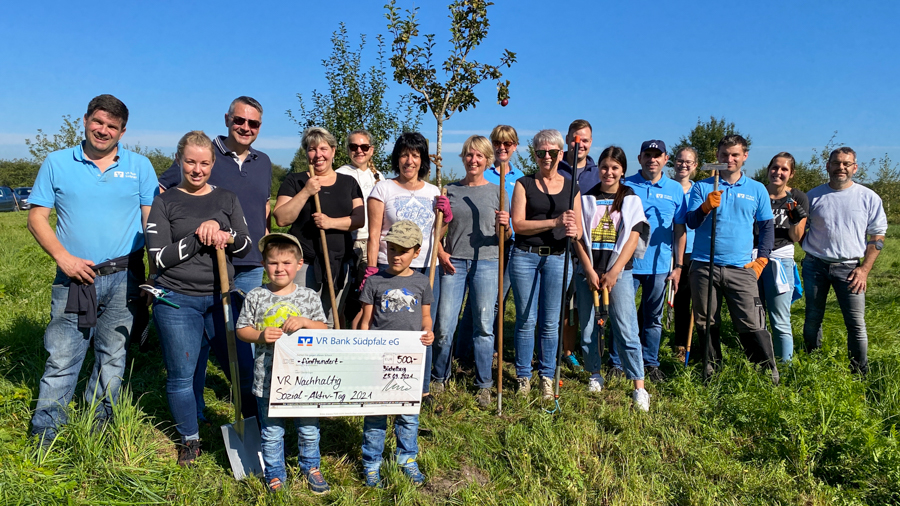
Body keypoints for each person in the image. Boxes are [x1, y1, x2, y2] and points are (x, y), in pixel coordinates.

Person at [28, 94, 158, 445]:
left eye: (112, 126)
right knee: (63, 357)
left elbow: (152, 223)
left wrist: (159, 269)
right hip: (74, 276)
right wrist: (63, 258)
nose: (103, 130)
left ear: (123, 131)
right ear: (85, 120)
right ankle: (45, 435)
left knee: (113, 357)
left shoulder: (140, 166)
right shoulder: (57, 162)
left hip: (125, 276)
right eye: (98, 122)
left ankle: (97, 427)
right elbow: (36, 217)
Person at [157, 96, 271, 421]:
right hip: (208, 268)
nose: (246, 127)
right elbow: (164, 189)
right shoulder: (206, 155)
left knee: (241, 348)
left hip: (249, 266)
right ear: (227, 119)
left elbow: (262, 206)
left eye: (254, 124)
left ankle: (250, 420)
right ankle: (196, 414)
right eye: (240, 120)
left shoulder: (262, 161)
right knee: (200, 348)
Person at [146, 131, 253, 465]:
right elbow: (158, 258)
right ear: (180, 161)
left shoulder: (227, 198)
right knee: (182, 374)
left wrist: (227, 234)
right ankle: (190, 439)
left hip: (223, 297)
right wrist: (199, 236)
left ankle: (254, 429)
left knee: (244, 370)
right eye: (190, 161)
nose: (197, 169)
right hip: (177, 300)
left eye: (204, 162)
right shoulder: (165, 201)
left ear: (212, 163)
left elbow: (248, 245)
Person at [235, 233, 329, 494]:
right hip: (267, 377)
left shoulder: (309, 297)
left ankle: (311, 466)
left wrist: (305, 322)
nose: (280, 268)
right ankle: (275, 472)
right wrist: (260, 335)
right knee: (272, 430)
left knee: (309, 428)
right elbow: (241, 330)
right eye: (273, 263)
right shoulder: (255, 296)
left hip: (305, 378)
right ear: (264, 264)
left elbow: (324, 328)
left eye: (286, 263)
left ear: (299, 264)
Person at [364, 132, 450, 405]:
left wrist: (446, 217)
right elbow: (375, 234)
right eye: (404, 154)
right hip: (388, 268)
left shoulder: (433, 191)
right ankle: (382, 383)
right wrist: (371, 268)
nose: (409, 161)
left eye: (415, 155)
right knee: (388, 326)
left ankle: (420, 389)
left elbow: (437, 233)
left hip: (424, 268)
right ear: (396, 158)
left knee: (422, 330)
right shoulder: (383, 189)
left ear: (423, 159)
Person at [685, 134, 779, 383]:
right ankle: (709, 370)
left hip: (742, 268)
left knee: (751, 322)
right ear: (717, 156)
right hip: (705, 264)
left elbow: (766, 227)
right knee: (707, 321)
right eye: (725, 154)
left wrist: (763, 258)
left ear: (744, 157)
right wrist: (705, 207)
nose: (729, 159)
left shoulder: (756, 189)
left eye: (735, 155)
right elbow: (691, 222)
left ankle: (766, 373)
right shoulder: (702, 187)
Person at [431, 135, 508, 407]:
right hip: (454, 263)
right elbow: (438, 230)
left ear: (488, 160)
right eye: (469, 155)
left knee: (484, 327)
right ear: (463, 157)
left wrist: (505, 224)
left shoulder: (498, 191)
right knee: (444, 326)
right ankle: (439, 378)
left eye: (479, 156)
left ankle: (484, 385)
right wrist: (441, 251)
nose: (473, 160)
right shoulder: (449, 190)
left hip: (486, 262)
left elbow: (505, 236)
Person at [573, 146, 652, 410]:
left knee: (626, 328)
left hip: (619, 273)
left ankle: (638, 385)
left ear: (622, 171)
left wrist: (615, 271)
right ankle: (594, 373)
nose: (609, 172)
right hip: (590, 272)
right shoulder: (586, 198)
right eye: (605, 167)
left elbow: (633, 236)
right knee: (587, 326)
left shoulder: (630, 198)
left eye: (615, 168)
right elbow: (578, 237)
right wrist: (588, 269)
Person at [359, 220, 435, 487]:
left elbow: (425, 317)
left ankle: (407, 459)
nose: (396, 255)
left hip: (409, 360)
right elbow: (366, 321)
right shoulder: (375, 281)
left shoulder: (422, 282)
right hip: (379, 358)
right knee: (376, 412)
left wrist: (428, 332)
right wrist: (363, 347)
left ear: (416, 251)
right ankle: (371, 462)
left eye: (403, 250)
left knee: (408, 413)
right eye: (391, 249)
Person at [509, 129, 582, 401]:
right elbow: (518, 225)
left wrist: (573, 229)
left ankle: (547, 376)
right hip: (525, 256)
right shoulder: (523, 184)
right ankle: (523, 377)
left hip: (558, 258)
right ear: (535, 155)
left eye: (552, 152)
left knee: (551, 323)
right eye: (541, 152)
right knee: (526, 320)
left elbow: (578, 226)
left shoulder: (572, 185)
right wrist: (554, 223)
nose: (547, 157)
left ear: (561, 154)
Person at [801, 147, 887, 374]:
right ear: (828, 166)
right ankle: (812, 365)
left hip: (850, 269)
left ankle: (859, 372)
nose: (841, 167)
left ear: (854, 167)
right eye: (837, 163)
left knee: (856, 325)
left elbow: (877, 236)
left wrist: (865, 270)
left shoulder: (868, 197)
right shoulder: (813, 196)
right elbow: (799, 229)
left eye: (846, 163)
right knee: (812, 318)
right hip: (815, 265)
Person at [274, 127, 364, 328]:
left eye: (323, 148)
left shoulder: (348, 183)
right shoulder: (295, 181)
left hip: (340, 263)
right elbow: (281, 218)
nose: (318, 155)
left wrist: (330, 222)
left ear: (333, 151)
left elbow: (359, 219)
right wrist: (306, 191)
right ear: (306, 152)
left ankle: (327, 359)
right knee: (300, 316)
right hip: (304, 263)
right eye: (312, 149)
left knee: (331, 318)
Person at [612, 140, 686, 382]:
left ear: (666, 159)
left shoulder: (675, 189)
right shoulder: (626, 184)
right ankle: (617, 361)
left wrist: (678, 266)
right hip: (627, 264)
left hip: (660, 266)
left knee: (653, 318)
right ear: (639, 158)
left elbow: (679, 230)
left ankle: (650, 362)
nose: (652, 159)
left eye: (657, 155)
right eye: (647, 155)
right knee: (622, 314)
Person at [456, 125, 523, 367]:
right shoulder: (485, 172)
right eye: (498, 143)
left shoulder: (519, 178)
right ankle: (463, 351)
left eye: (508, 144)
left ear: (515, 146)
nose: (502, 148)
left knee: (497, 300)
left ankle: (491, 348)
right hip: (484, 246)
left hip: (511, 243)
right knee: (477, 302)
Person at [758, 152, 809, 363]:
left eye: (784, 169)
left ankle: (785, 366)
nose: (778, 173)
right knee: (755, 318)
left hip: (781, 261)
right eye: (774, 167)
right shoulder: (758, 192)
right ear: (768, 168)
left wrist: (796, 220)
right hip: (754, 260)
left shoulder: (797, 197)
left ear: (791, 174)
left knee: (780, 319)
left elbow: (796, 238)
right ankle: (760, 362)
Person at [557, 120, 598, 368]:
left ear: (590, 142)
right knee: (560, 302)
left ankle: (581, 350)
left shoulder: (598, 171)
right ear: (567, 139)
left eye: (584, 140)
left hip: (589, 248)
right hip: (559, 245)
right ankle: (559, 349)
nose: (579, 144)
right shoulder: (556, 168)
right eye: (575, 138)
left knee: (582, 303)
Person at [335, 130, 385, 329]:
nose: (359, 151)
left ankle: (361, 331)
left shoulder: (378, 176)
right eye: (354, 147)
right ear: (347, 149)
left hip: (372, 242)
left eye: (364, 147)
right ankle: (338, 332)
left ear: (371, 150)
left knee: (367, 293)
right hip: (347, 239)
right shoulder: (340, 173)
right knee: (343, 290)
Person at [670, 147, 698, 361]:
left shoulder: (699, 190)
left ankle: (681, 342)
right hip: (665, 249)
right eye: (680, 161)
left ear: (695, 165)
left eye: (689, 162)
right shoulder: (668, 187)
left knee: (683, 298)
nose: (684, 165)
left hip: (690, 251)